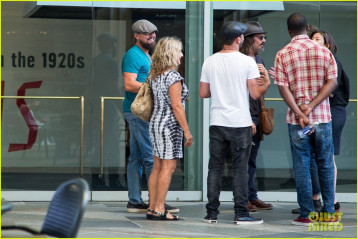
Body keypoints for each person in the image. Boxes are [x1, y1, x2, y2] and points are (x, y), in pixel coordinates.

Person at [199, 21, 270, 224]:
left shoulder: (210, 61)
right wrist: (266, 83)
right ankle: (241, 213)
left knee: (215, 168)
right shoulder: (247, 62)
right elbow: (255, 93)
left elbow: (204, 93)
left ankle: (211, 214)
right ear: (239, 39)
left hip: (217, 121)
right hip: (239, 122)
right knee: (240, 169)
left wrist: (222, 89)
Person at [273, 13, 337, 226]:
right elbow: (332, 82)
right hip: (322, 119)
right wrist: (312, 106)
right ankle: (328, 212)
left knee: (302, 166)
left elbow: (283, 88)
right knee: (325, 164)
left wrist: (302, 112)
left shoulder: (283, 54)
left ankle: (306, 214)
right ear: (307, 27)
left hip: (298, 123)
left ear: (288, 30)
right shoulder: (324, 51)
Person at [291, 28, 350, 215]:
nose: (313, 41)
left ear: (327, 43)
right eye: (311, 38)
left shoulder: (330, 59)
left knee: (326, 158)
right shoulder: (313, 60)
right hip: (315, 114)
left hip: (330, 113)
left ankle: (331, 201)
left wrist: (307, 103)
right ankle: (316, 199)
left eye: (317, 39)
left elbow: (330, 89)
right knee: (314, 158)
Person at [122, 20, 178, 213]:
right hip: (138, 112)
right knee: (151, 158)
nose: (151, 37)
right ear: (136, 35)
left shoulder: (146, 55)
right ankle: (156, 203)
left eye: (153, 34)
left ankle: (135, 201)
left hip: (139, 112)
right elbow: (129, 84)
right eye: (146, 34)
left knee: (135, 158)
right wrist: (158, 86)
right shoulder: (133, 55)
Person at [146, 37, 192, 220]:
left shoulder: (156, 75)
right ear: (170, 53)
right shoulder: (173, 76)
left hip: (156, 123)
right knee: (169, 167)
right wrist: (187, 131)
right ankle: (159, 209)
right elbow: (177, 106)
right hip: (169, 126)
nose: (182, 55)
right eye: (179, 51)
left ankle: (152, 207)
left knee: (157, 167)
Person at [240, 21, 273, 212]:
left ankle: (252, 196)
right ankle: (243, 199)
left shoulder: (259, 60)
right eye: (260, 38)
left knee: (252, 159)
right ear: (248, 40)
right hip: (244, 116)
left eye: (264, 37)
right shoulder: (241, 61)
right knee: (243, 160)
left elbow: (260, 89)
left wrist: (261, 113)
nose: (264, 40)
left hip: (256, 114)